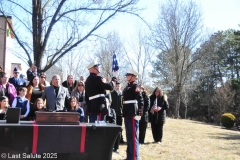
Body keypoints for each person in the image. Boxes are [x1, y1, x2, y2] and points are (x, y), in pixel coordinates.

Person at [122, 68, 144, 160]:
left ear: (133, 77)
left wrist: (139, 114)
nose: (126, 76)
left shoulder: (135, 86)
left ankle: (134, 157)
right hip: (127, 113)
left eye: (128, 75)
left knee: (133, 137)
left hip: (132, 113)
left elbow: (141, 100)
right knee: (129, 136)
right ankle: (129, 156)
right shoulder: (128, 86)